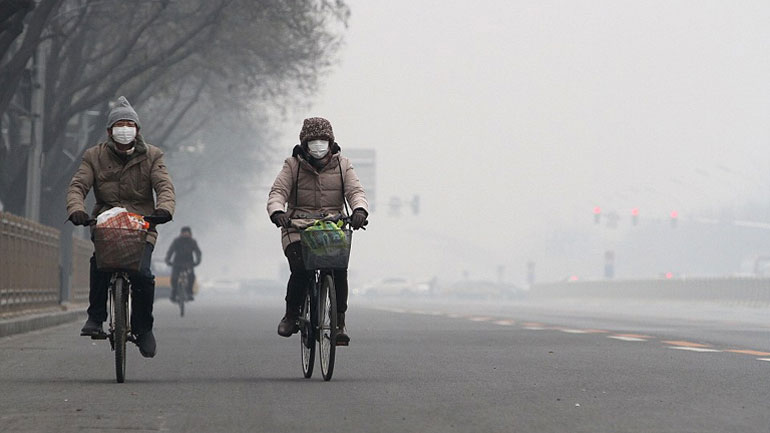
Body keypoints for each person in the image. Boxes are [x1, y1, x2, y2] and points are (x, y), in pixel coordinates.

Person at [66, 96, 175, 358]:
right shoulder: (94, 156)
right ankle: (95, 317)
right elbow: (78, 186)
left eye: (129, 125)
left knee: (144, 276)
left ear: (137, 130)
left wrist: (164, 210)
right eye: (119, 125)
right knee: (99, 265)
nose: (124, 129)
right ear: (109, 131)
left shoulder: (153, 155)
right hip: (106, 223)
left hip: (142, 225)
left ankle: (143, 328)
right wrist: (76, 210)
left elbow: (164, 186)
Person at [267, 117, 368, 344]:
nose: (318, 146)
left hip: (333, 228)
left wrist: (359, 210)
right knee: (300, 269)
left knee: (339, 269)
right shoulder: (292, 165)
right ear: (304, 144)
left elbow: (355, 192)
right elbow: (277, 193)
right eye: (313, 141)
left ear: (331, 142)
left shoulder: (343, 165)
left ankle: (339, 322)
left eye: (323, 141)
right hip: (297, 228)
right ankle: (292, 314)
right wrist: (277, 213)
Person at [165, 226, 201, 302]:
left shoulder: (192, 242)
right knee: (174, 278)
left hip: (189, 263)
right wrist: (168, 260)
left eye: (187, 233)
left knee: (191, 276)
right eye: (184, 233)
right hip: (177, 263)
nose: (185, 234)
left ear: (190, 234)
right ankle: (174, 293)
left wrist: (198, 261)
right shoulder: (176, 241)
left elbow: (198, 252)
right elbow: (170, 251)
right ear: (181, 233)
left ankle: (189, 292)